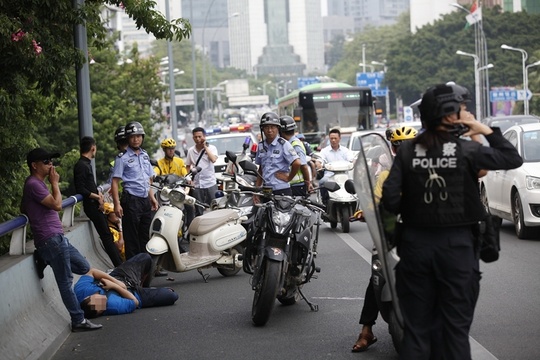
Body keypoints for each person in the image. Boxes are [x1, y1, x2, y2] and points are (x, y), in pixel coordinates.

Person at [382, 83, 523, 359]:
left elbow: (389, 200)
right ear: (449, 114)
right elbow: (511, 157)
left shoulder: (408, 152)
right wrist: (483, 129)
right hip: (458, 251)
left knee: (416, 332)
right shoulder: (467, 150)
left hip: (414, 249)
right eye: (462, 109)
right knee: (455, 332)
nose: (467, 113)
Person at [21, 147, 102, 332]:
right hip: (51, 240)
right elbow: (57, 205)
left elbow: (24, 207)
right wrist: (55, 183)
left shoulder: (36, 184)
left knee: (83, 267)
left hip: (57, 239)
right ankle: (78, 320)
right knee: (65, 282)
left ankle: (44, 258)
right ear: (34, 165)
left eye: (52, 161)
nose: (51, 165)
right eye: (47, 162)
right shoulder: (33, 183)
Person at [352, 126, 417, 353]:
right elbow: (374, 202)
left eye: (408, 146)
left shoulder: (428, 171)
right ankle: (366, 330)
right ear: (392, 148)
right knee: (377, 275)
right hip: (391, 234)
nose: (403, 150)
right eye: (399, 146)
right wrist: (366, 212)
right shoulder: (385, 176)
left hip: (421, 234)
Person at [75, 253, 178, 317]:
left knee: (145, 257)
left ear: (88, 297)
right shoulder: (114, 307)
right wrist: (115, 287)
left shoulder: (80, 291)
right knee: (172, 295)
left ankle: (144, 285)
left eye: (99, 298)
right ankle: (146, 290)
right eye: (103, 306)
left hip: (120, 277)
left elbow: (92, 271)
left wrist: (115, 282)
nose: (103, 300)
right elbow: (135, 302)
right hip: (134, 294)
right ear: (101, 312)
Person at [111, 121, 158, 260]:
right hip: (131, 201)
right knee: (132, 239)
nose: (136, 139)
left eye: (138, 136)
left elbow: (148, 180)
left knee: (145, 237)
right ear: (128, 139)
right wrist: (117, 204)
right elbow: (114, 182)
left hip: (144, 201)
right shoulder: (122, 158)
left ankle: (145, 271)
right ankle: (133, 274)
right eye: (132, 137)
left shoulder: (145, 155)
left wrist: (152, 198)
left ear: (142, 137)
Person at [74, 136, 123, 267]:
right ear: (93, 148)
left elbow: (89, 186)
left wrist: (98, 194)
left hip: (95, 205)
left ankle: (119, 264)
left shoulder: (85, 164)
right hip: (92, 206)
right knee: (106, 236)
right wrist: (97, 197)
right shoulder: (81, 165)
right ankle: (119, 266)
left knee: (107, 234)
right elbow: (81, 189)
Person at [254, 112, 300, 196]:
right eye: (266, 127)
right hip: (266, 190)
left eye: (272, 127)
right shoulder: (261, 146)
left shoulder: (283, 144)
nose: (269, 130)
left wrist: (289, 178)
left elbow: (297, 163)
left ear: (278, 128)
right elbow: (261, 169)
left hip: (281, 190)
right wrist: (256, 191)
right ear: (262, 129)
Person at [185, 127, 218, 215]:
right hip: (197, 185)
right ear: (193, 138)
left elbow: (213, 159)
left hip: (210, 183)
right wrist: (189, 179)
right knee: (199, 210)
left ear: (204, 136)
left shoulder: (212, 148)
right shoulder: (191, 151)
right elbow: (188, 166)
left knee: (214, 207)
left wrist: (205, 148)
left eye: (200, 136)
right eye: (195, 137)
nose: (198, 139)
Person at [316, 128, 354, 203]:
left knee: (355, 184)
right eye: (331, 138)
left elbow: (352, 160)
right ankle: (324, 202)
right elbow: (319, 160)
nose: (333, 140)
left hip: (345, 175)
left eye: (335, 138)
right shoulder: (324, 151)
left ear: (339, 138)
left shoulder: (345, 151)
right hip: (329, 175)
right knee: (322, 182)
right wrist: (318, 164)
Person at [278, 116, 313, 196]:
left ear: (281, 131)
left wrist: (308, 183)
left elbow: (303, 166)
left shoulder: (295, 145)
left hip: (297, 186)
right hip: (289, 185)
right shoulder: (286, 144)